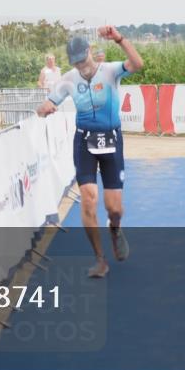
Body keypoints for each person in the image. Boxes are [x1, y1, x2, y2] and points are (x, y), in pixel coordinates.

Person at [38, 26, 144, 279]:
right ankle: (100, 259)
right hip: (84, 142)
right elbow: (48, 103)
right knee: (88, 200)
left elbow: (138, 63)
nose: (82, 66)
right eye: (76, 63)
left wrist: (119, 39)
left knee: (114, 208)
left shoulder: (109, 71)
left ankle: (115, 229)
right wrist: (44, 109)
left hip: (111, 141)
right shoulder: (68, 80)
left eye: (83, 60)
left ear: (90, 52)